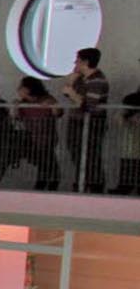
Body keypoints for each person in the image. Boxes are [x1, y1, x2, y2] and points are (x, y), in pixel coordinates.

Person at [60, 46, 109, 193]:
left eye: (78, 60)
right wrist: (71, 84)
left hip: (91, 123)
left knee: (91, 155)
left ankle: (94, 185)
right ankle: (82, 182)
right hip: (76, 122)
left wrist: (72, 92)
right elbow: (71, 96)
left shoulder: (98, 80)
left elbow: (89, 106)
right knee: (77, 154)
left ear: (85, 62)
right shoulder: (81, 79)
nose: (75, 63)